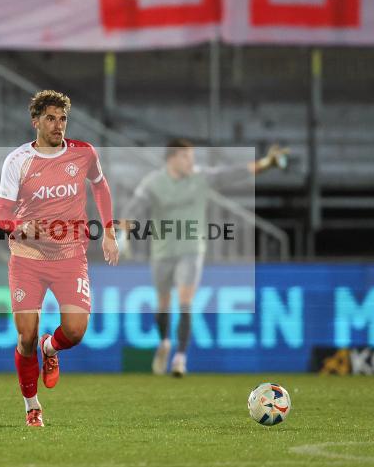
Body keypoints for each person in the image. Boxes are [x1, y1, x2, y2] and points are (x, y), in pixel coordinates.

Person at [0, 90, 119, 427]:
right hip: (27, 258)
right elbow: (1, 216)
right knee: (26, 336)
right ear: (35, 121)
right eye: (50, 118)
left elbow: (100, 186)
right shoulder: (17, 161)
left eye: (62, 119)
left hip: (70, 256)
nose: (57, 125)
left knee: (75, 332)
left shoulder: (83, 153)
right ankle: (32, 407)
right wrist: (20, 226)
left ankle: (50, 348)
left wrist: (109, 231)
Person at [121, 139, 287, 377]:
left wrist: (266, 163)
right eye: (186, 157)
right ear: (172, 158)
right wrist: (123, 233)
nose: (191, 161)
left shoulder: (201, 177)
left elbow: (235, 173)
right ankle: (164, 343)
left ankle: (180, 358)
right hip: (162, 252)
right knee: (163, 303)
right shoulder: (153, 182)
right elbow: (133, 209)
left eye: (192, 156)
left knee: (185, 301)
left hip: (191, 250)